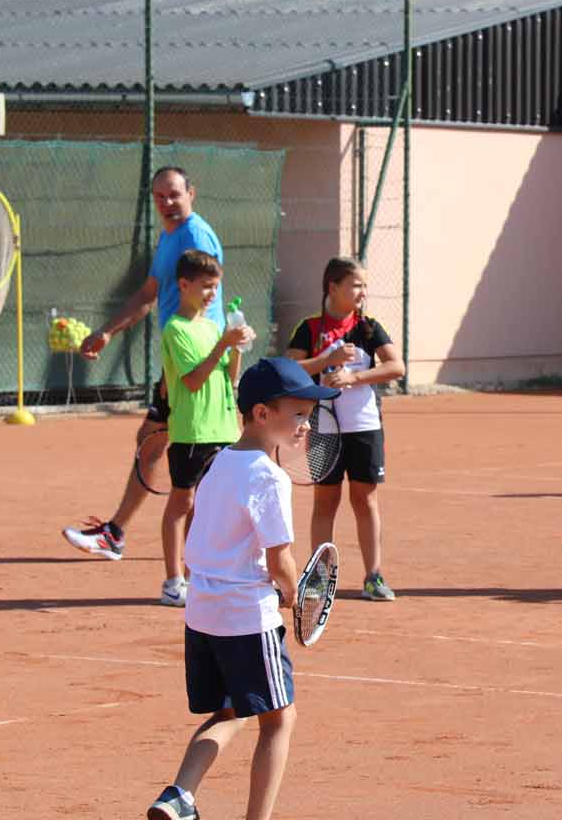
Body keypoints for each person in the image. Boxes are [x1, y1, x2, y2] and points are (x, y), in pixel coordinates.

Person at [146, 357, 337, 820]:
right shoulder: (270, 477)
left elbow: (202, 534)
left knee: (232, 711)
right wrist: (293, 594)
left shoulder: (218, 463)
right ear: (261, 414)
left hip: (202, 613)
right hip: (246, 616)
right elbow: (279, 559)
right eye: (298, 413)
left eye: (309, 415)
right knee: (280, 719)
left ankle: (179, 795)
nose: (305, 424)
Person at [63, 166, 225, 561]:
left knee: (185, 456)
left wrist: (198, 363)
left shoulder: (195, 237)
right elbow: (149, 293)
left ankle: (198, 554)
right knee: (154, 444)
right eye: (159, 196)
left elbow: (209, 298)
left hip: (194, 360)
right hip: (183, 357)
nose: (167, 202)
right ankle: (124, 534)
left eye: (174, 194)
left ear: (191, 194)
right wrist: (108, 331)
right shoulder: (170, 237)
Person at [286, 257, 406, 600]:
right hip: (323, 426)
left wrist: (354, 376)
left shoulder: (368, 327)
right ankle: (318, 579)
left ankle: (373, 577)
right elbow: (289, 369)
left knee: (365, 498)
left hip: (364, 426)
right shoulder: (309, 328)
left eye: (364, 285)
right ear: (333, 287)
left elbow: (396, 367)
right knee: (325, 501)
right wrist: (327, 361)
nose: (363, 292)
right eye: (356, 285)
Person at [157, 250, 255, 607]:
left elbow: (229, 377)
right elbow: (194, 380)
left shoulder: (212, 327)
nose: (212, 294)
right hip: (191, 432)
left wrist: (237, 347)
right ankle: (173, 581)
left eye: (216, 287)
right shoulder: (176, 329)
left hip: (223, 430)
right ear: (184, 285)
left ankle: (197, 575)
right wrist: (223, 344)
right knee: (182, 503)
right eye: (206, 286)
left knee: (208, 507)